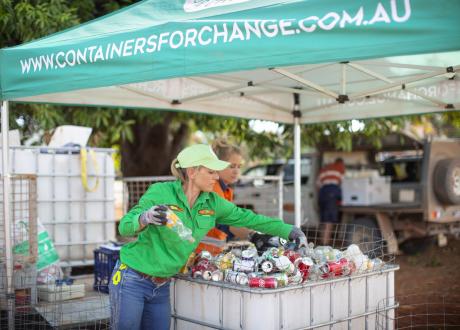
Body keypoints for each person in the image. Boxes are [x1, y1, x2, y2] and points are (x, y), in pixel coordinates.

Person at [109, 144, 307, 330]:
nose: (216, 176)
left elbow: (250, 218)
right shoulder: (160, 191)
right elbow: (125, 227)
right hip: (132, 279)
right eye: (211, 171)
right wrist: (145, 217)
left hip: (161, 286)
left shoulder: (212, 202)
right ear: (192, 172)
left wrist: (290, 230)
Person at [316, 158, 345, 245]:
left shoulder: (325, 169)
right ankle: (325, 244)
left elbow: (318, 184)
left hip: (322, 194)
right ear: (340, 163)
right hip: (331, 194)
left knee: (323, 219)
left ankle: (321, 241)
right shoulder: (339, 168)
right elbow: (342, 183)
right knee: (329, 220)